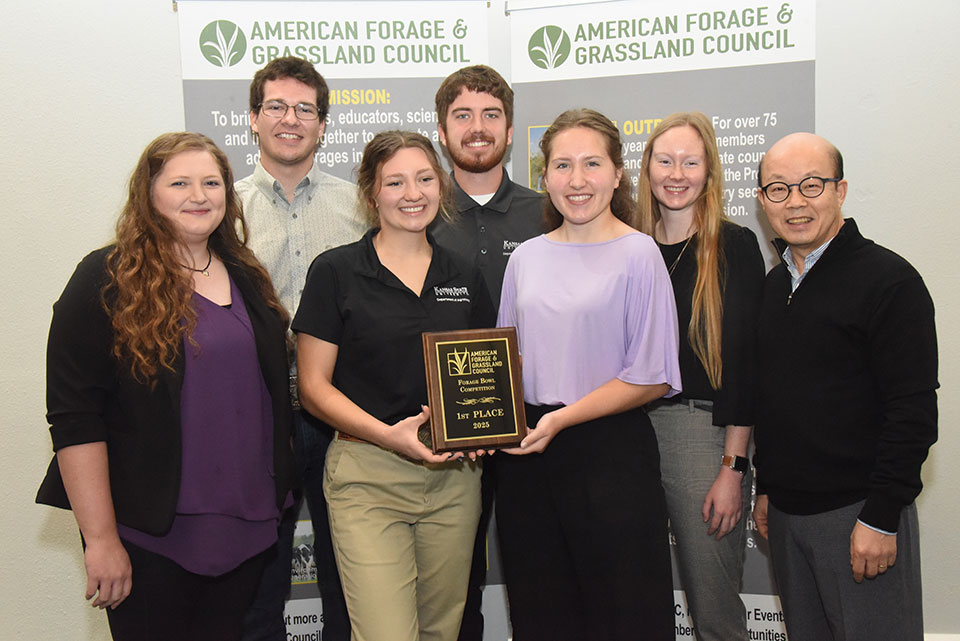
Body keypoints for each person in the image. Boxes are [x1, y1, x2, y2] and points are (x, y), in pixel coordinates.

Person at [36, 132, 296, 641]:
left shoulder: (245, 272)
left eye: (211, 182)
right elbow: (74, 421)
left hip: (247, 533)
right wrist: (101, 539)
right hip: (151, 538)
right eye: (180, 182)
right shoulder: (105, 279)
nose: (199, 195)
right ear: (148, 194)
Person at [293, 131, 495, 641]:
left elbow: (488, 377)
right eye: (396, 181)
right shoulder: (336, 272)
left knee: (439, 633)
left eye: (425, 178)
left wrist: (491, 422)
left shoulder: (465, 276)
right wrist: (388, 436)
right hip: (367, 478)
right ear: (371, 193)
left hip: (454, 478)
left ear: (441, 187)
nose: (413, 193)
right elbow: (313, 388)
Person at [494, 108, 682, 641]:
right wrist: (471, 410)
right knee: (541, 611)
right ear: (544, 176)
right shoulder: (525, 258)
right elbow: (506, 362)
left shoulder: (639, 253)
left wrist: (562, 420)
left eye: (592, 164)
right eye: (562, 166)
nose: (577, 181)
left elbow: (652, 376)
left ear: (618, 174)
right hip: (528, 456)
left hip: (610, 454)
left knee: (624, 614)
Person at [751, 132, 938, 641]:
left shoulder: (889, 281)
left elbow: (913, 411)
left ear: (841, 190)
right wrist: (767, 487)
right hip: (787, 519)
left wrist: (880, 517)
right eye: (778, 189)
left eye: (812, 185)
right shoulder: (773, 288)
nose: (796, 202)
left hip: (859, 516)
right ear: (762, 200)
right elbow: (774, 397)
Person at [236, 56, 365, 641]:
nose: (290, 120)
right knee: (260, 579)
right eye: (276, 107)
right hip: (257, 418)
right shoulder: (220, 209)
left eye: (304, 110)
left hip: (344, 415)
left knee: (353, 573)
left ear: (322, 125)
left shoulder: (362, 207)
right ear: (255, 120)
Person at [636, 112, 764, 641]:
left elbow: (745, 364)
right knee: (635, 599)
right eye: (664, 160)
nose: (676, 173)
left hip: (701, 435)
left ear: (710, 172)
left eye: (691, 161)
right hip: (627, 433)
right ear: (646, 169)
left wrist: (732, 467)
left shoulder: (733, 246)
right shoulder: (628, 247)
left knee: (713, 613)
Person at [431, 64, 543, 640]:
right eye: (463, 116)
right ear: (442, 130)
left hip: (536, 426)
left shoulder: (548, 210)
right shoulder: (416, 210)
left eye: (491, 115)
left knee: (536, 570)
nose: (478, 128)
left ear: (509, 126)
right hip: (448, 429)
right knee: (455, 581)